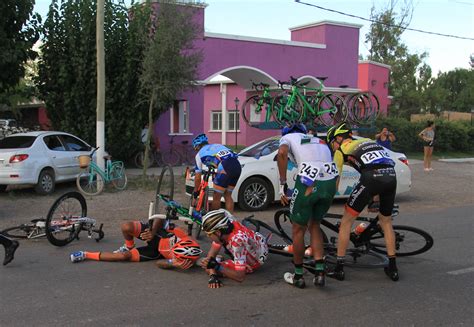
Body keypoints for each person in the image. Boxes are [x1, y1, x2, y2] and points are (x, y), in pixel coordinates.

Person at [326, 122, 399, 282]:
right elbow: (382, 164)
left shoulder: (340, 150)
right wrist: (375, 196)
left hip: (371, 177)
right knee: (386, 221)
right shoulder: (368, 141)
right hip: (391, 176)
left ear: (339, 138)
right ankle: (392, 267)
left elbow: (335, 180)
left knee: (346, 221)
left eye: (332, 142)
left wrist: (327, 199)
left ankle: (339, 268)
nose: (332, 147)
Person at [276, 123, 339, 288]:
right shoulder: (317, 140)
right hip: (329, 182)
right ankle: (319, 271)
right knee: (315, 225)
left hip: (309, 184)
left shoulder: (288, 137)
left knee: (298, 229)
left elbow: (282, 153)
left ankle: (298, 275)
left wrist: (282, 183)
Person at [70, 219, 202, 270]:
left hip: (155, 252)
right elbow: (160, 218)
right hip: (157, 235)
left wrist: (173, 264)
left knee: (124, 257)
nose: (172, 249)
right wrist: (152, 231)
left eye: (174, 251)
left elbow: (159, 263)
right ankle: (129, 244)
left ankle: (85, 254)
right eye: (174, 246)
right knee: (126, 226)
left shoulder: (186, 260)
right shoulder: (182, 234)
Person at [199, 209, 268, 289]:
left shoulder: (237, 242)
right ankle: (220, 259)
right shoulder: (228, 222)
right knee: (211, 261)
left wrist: (216, 267)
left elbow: (240, 277)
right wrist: (212, 273)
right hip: (259, 240)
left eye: (209, 234)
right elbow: (210, 256)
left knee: (207, 267)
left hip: (254, 262)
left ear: (217, 232)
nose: (208, 236)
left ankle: (224, 261)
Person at [192, 134, 242, 212]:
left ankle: (215, 221)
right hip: (237, 166)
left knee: (216, 197)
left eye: (195, 149)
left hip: (225, 167)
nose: (196, 150)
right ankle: (231, 220)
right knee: (228, 195)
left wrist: (196, 192)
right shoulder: (218, 145)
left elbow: (198, 177)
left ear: (197, 146)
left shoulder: (199, 155)